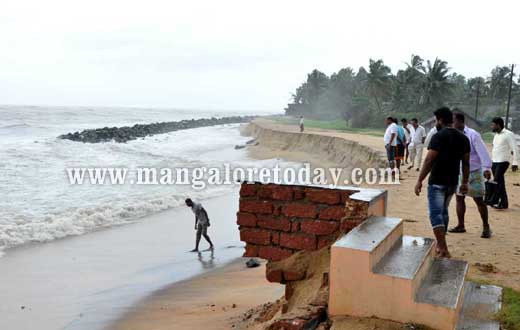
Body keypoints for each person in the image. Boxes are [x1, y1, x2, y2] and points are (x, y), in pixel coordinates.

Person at [414, 107, 470, 258]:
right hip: (452, 182)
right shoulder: (463, 138)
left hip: (437, 181)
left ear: (440, 120)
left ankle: (443, 247)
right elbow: (466, 163)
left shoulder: (438, 136)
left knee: (435, 214)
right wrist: (464, 182)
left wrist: (419, 180)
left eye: (436, 120)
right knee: (443, 212)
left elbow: (429, 159)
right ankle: (440, 244)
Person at [448, 112, 493, 238]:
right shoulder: (453, 135)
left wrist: (487, 168)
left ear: (460, 122)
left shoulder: (473, 135)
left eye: (453, 121)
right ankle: (460, 225)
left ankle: (486, 227)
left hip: (474, 172)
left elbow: (482, 152)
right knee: (459, 198)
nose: (452, 124)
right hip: (460, 172)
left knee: (479, 200)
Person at [489, 117, 518, 209]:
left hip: (503, 161)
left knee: (497, 181)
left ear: (498, 125)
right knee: (500, 182)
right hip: (495, 161)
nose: (491, 126)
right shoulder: (496, 135)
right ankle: (503, 202)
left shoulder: (508, 134)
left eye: (493, 125)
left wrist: (515, 162)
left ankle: (496, 200)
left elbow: (515, 148)